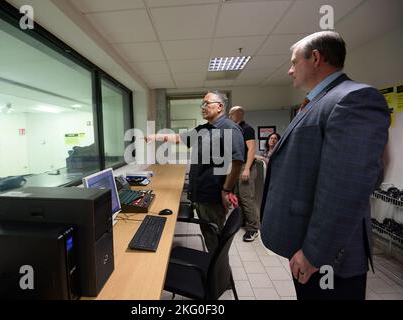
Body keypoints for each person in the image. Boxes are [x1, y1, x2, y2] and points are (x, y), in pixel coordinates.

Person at [260, 31, 390, 300]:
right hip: (308, 242)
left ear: (316, 58)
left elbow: (347, 188)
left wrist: (314, 253)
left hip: (328, 257)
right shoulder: (316, 102)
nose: (289, 70)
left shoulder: (352, 99)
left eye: (294, 62)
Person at [146, 91, 244, 252]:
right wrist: (155, 136)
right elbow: (180, 138)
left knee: (214, 239)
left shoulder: (230, 129)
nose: (203, 107)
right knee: (208, 235)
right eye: (202, 104)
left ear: (219, 107)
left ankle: (217, 273)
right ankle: (215, 269)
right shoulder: (205, 128)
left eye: (207, 103)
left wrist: (226, 190)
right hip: (199, 194)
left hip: (212, 195)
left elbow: (237, 162)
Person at [228, 106, 260, 242]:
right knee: (238, 197)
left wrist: (247, 168)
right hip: (236, 166)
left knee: (247, 199)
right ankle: (242, 222)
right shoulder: (235, 129)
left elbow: (251, 149)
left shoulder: (247, 128)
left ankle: (253, 229)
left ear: (240, 113)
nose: (230, 116)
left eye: (232, 114)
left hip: (244, 167)